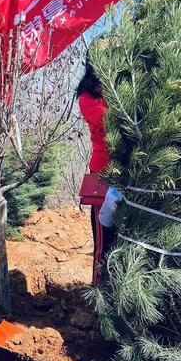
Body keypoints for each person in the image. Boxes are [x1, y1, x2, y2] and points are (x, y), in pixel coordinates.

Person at [77, 56, 116, 285]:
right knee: (105, 239)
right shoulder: (88, 97)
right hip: (105, 176)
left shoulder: (118, 86)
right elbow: (114, 121)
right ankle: (100, 291)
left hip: (130, 173)